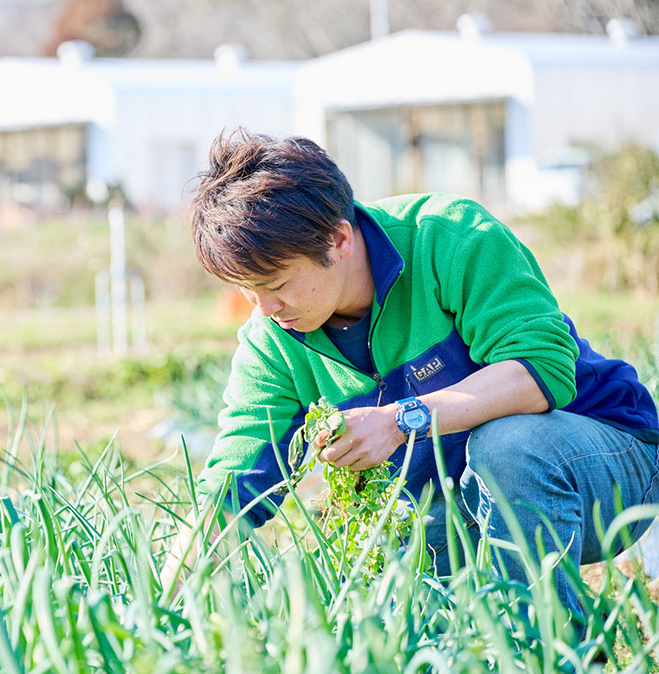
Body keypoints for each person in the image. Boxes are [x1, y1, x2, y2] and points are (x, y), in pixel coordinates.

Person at [165, 130, 659, 620]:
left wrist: (401, 420)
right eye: (249, 292)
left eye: (275, 284)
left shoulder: (448, 239)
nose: (266, 309)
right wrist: (158, 604)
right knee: (380, 604)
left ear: (337, 239)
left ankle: (550, 656)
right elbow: (230, 483)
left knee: (508, 445)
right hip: (456, 506)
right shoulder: (272, 340)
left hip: (603, 466)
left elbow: (541, 371)